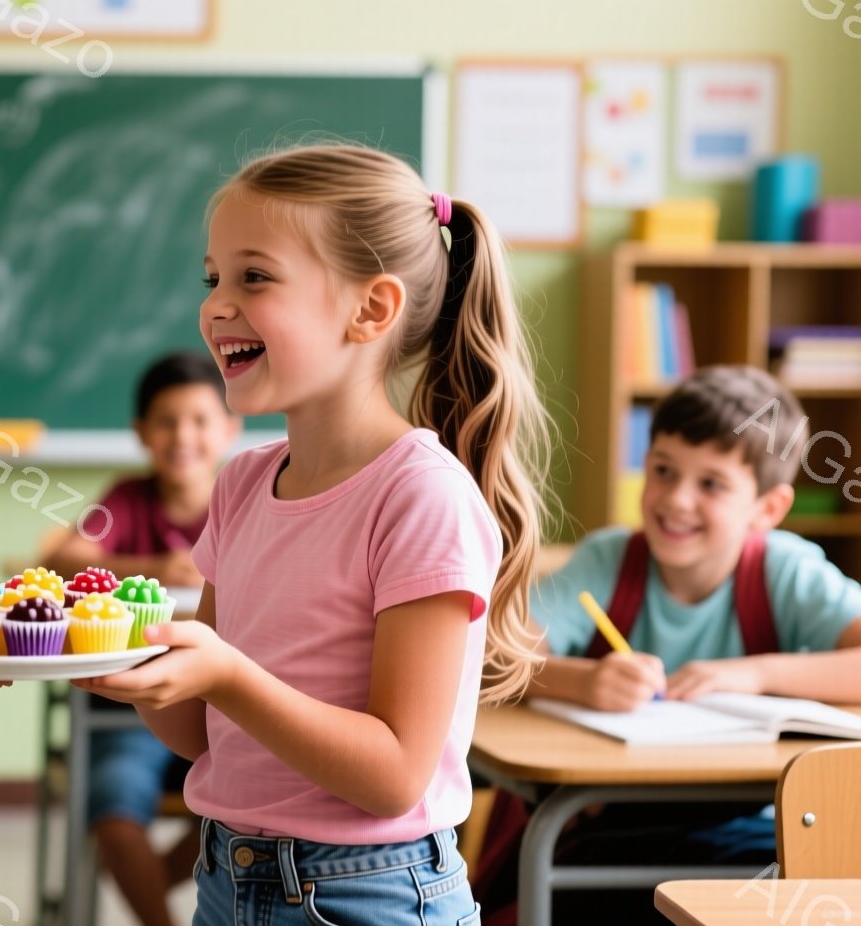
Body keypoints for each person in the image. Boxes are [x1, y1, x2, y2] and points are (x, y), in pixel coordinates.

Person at [78, 145, 555, 926]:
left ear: (371, 310)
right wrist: (113, 655)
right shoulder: (240, 483)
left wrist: (226, 675)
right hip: (228, 876)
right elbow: (204, 734)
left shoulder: (420, 496)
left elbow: (395, 774)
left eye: (254, 277)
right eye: (213, 279)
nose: (216, 306)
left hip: (370, 893)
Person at [486, 365, 861, 924]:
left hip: (751, 830)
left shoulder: (785, 570)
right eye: (662, 471)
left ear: (769, 509)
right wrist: (584, 682)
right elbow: (498, 658)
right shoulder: (608, 559)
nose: (676, 500)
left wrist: (753, 674)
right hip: (603, 824)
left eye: (711, 484)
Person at [48, 350, 240, 926]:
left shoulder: (245, 496)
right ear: (140, 433)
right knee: (112, 809)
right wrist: (156, 563)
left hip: (220, 710)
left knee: (248, 799)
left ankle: (145, 884)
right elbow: (61, 559)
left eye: (201, 420)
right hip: (129, 713)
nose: (183, 435)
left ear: (229, 430)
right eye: (165, 420)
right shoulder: (128, 499)